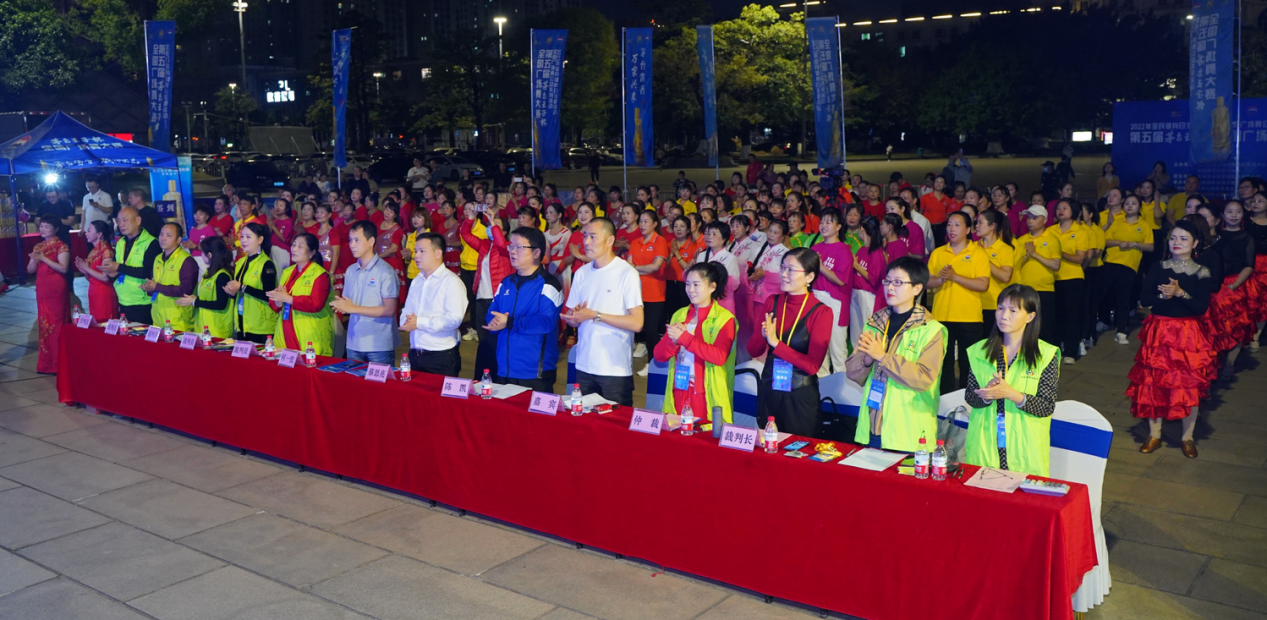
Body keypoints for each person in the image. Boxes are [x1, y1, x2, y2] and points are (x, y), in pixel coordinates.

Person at [1130, 221, 1216, 458]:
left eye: (1184, 239)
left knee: (1188, 386)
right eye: (1174, 238)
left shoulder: (1202, 271)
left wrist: (1180, 293)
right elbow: (1145, 298)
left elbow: (1200, 307)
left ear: (1195, 243)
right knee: (1153, 382)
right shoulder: (1159, 266)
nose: (1177, 243)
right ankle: (1154, 434)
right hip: (1159, 331)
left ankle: (1187, 437)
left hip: (1188, 334)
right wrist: (1165, 294)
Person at [846, 256, 947, 451]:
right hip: (872, 428)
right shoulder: (875, 321)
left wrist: (883, 357)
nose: (890, 287)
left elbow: (923, 378)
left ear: (917, 288)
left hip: (908, 433)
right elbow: (852, 372)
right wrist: (867, 359)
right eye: (888, 281)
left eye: (898, 282)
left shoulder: (931, 330)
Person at [963, 284, 1062, 477]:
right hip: (984, 448)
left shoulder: (1046, 355)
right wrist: (986, 396)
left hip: (1025, 451)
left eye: (1013, 310)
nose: (1004, 315)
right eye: (1000, 308)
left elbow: (1046, 406)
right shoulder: (979, 351)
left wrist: (1012, 395)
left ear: (1030, 316)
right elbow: (970, 397)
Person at [747, 247, 833, 436]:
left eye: (791, 270)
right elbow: (753, 350)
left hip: (800, 394)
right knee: (768, 450)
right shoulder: (772, 302)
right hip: (769, 389)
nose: (784, 274)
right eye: (783, 268)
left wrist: (776, 343)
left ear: (809, 277)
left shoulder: (821, 312)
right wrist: (763, 336)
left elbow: (812, 366)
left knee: (797, 456)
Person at [561, 218, 645, 406]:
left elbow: (637, 323)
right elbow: (572, 313)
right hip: (584, 364)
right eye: (585, 236)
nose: (586, 242)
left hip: (614, 368)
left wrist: (595, 315)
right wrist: (573, 319)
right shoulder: (582, 273)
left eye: (593, 236)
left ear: (609, 241)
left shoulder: (626, 273)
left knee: (614, 429)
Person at [655, 262, 737, 425]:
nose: (690, 290)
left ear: (712, 287)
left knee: (703, 440)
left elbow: (719, 356)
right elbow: (659, 355)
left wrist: (684, 338)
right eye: (687, 284)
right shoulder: (679, 314)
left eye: (696, 285)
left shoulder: (725, 319)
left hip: (706, 391)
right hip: (679, 386)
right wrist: (673, 342)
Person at [484, 227, 563, 391]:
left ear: (536, 253)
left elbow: (546, 322)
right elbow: (491, 313)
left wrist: (509, 322)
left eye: (519, 247)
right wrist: (493, 323)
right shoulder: (506, 282)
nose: (512, 251)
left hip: (534, 373)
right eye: (511, 247)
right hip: (504, 367)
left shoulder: (549, 284)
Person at [926, 211, 990, 392]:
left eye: (957, 225)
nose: (952, 229)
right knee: (944, 364)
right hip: (941, 315)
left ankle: (967, 401)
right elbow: (927, 281)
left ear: (968, 229)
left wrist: (955, 277)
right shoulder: (939, 253)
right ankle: (946, 400)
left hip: (969, 317)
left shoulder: (978, 253)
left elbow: (983, 284)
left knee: (967, 363)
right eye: (949, 224)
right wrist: (941, 280)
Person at [400, 232, 468, 376]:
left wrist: (420, 322)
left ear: (438, 253)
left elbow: (454, 319)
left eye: (422, 251)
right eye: (416, 251)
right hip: (415, 352)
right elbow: (406, 312)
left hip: (441, 356)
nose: (416, 255)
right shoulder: (417, 281)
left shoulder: (451, 282)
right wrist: (407, 322)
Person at [332, 221, 400, 363]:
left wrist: (353, 308)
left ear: (371, 241)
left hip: (378, 345)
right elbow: (348, 303)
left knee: (380, 385)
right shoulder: (351, 270)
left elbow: (389, 310)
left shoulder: (385, 271)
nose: (352, 245)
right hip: (353, 342)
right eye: (350, 240)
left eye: (357, 240)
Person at [1203, 201, 1256, 378]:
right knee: (1215, 325)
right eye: (1229, 211)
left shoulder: (1247, 237)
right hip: (1215, 283)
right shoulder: (1216, 236)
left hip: (1236, 284)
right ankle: (1214, 361)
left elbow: (1249, 265)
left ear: (1243, 214)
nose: (1233, 215)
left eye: (1238, 211)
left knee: (1237, 325)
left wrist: (1233, 286)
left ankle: (1230, 362)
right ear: (1222, 216)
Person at [461, 204, 513, 378]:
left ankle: (499, 374)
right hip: (481, 297)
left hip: (497, 299)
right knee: (483, 340)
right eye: (489, 225)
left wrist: (492, 220)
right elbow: (466, 235)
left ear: (503, 231)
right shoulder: (484, 245)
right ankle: (483, 375)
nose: (490, 228)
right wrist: (471, 217)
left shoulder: (508, 248)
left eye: (495, 226)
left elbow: (500, 244)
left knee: (497, 339)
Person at [262, 232, 333, 354]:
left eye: (300, 247)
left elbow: (316, 303)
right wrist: (278, 302)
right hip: (284, 330)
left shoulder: (320, 274)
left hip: (308, 332)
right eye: (293, 245)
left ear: (311, 252)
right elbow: (276, 300)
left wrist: (289, 299)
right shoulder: (287, 272)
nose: (294, 249)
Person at [1097, 195, 1154, 344]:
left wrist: (1134, 244)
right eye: (1127, 203)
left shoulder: (1144, 225)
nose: (1129, 206)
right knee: (1102, 294)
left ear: (1139, 207)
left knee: (1123, 299)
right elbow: (1105, 241)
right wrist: (1118, 242)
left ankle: (1121, 329)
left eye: (1133, 203)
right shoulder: (1116, 223)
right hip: (1110, 262)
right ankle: (1096, 325)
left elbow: (1150, 246)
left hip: (1129, 266)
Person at [810, 208, 853, 375]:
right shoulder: (815, 248)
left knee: (837, 348)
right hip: (815, 297)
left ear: (838, 227)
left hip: (834, 300)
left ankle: (842, 391)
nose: (823, 225)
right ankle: (821, 387)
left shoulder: (843, 249)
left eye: (828, 222)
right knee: (818, 346)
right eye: (822, 221)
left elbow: (841, 279)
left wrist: (821, 266)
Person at [101, 207, 160, 324]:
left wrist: (118, 267)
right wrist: (111, 272)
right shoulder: (121, 242)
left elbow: (148, 272)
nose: (121, 224)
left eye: (125, 220)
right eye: (118, 221)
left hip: (142, 301)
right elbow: (120, 267)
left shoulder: (152, 243)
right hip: (123, 298)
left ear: (138, 220)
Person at [1012, 205, 1061, 344]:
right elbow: (1014, 266)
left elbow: (1056, 265)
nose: (1030, 221)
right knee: (1024, 327)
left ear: (1045, 219)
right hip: (1024, 290)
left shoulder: (1052, 239)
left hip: (1044, 289)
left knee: (1045, 328)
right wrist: (1027, 257)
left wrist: (1035, 254)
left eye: (1034, 218)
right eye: (1028, 217)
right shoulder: (1020, 241)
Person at [28, 216, 70, 374]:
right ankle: (47, 363)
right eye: (42, 226)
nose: (43, 229)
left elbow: (64, 268)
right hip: (42, 288)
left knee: (57, 323)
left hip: (56, 289)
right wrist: (34, 260)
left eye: (47, 226)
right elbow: (30, 270)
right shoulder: (38, 246)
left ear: (56, 229)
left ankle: (59, 363)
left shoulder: (61, 246)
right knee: (44, 324)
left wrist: (43, 258)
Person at [1050, 199, 1089, 363]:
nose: (1060, 210)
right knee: (1055, 317)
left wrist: (1060, 253)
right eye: (1058, 208)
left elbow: (1080, 258)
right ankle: (1055, 351)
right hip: (1052, 278)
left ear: (1073, 211)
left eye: (1065, 208)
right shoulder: (1050, 230)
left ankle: (1071, 352)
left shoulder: (1080, 232)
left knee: (1071, 316)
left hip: (1073, 278)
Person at [225, 222, 278, 343]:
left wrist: (243, 287)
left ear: (260, 240)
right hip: (242, 320)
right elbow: (238, 289)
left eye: (248, 237)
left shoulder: (266, 263)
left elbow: (269, 294)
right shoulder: (240, 262)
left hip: (260, 324)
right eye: (242, 236)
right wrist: (231, 291)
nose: (244, 240)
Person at [141, 223, 197, 332]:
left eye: (168, 235)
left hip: (178, 318)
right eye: (161, 234)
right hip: (158, 316)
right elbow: (156, 283)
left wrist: (157, 287)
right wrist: (149, 288)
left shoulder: (186, 261)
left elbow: (186, 290)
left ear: (178, 239)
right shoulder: (157, 258)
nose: (163, 238)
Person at [630, 210, 669, 363]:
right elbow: (629, 264)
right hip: (636, 292)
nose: (642, 224)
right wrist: (636, 266)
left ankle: (653, 363)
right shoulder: (635, 242)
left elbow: (655, 267)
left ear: (655, 224)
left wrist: (635, 266)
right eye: (640, 221)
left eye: (646, 221)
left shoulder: (659, 242)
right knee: (637, 328)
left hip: (655, 293)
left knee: (652, 331)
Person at [178, 236, 236, 339]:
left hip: (217, 329)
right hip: (205, 326)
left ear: (209, 255)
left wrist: (194, 302)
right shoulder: (209, 273)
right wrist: (192, 299)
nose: (201, 255)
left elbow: (220, 304)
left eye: (202, 253)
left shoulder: (222, 276)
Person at [850, 215, 886, 351]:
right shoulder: (861, 250)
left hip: (868, 294)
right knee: (855, 331)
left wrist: (856, 266)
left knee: (868, 331)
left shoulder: (876, 252)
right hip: (856, 292)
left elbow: (874, 278)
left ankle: (869, 364)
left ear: (862, 230)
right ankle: (856, 363)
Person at [694, 220, 743, 318]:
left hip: (723, 301)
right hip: (704, 300)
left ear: (723, 239)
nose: (709, 237)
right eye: (707, 233)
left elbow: (733, 285)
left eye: (714, 234)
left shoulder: (730, 257)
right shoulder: (702, 255)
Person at [73, 220, 118, 323]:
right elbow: (91, 278)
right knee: (96, 323)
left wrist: (87, 268)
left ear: (99, 234)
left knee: (105, 323)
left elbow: (105, 277)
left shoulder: (107, 251)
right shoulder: (93, 252)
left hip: (104, 293)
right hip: (93, 291)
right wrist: (85, 271)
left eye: (89, 230)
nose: (86, 233)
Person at [976, 209, 1014, 328]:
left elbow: (1005, 276)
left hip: (994, 304)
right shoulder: (972, 247)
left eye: (980, 222)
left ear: (992, 226)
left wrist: (983, 257)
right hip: (974, 305)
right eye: (976, 222)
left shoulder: (1004, 249)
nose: (976, 226)